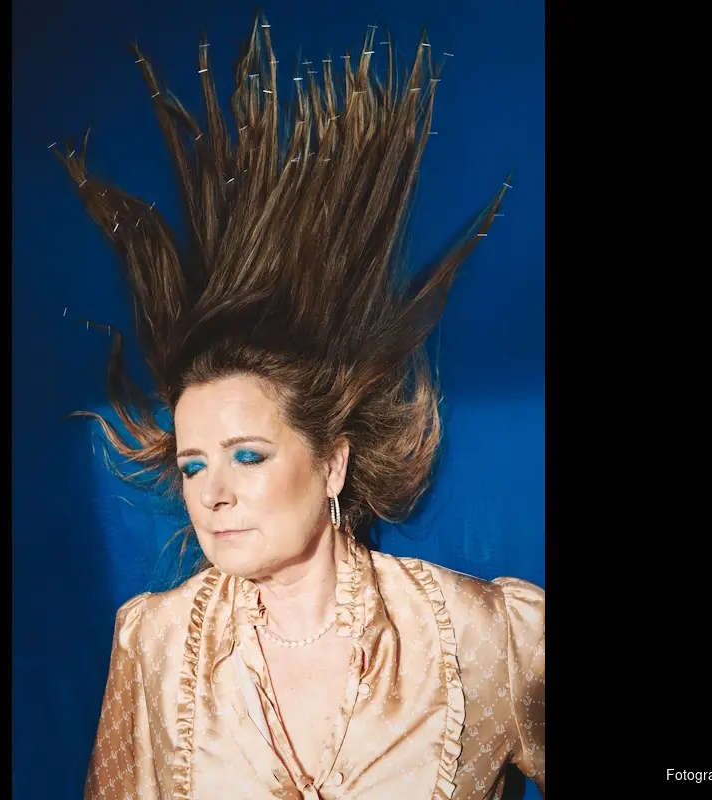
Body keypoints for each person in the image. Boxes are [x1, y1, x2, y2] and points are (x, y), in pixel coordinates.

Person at [55, 15, 544, 800]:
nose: (213, 494)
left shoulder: (485, 637)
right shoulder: (155, 644)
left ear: (332, 464)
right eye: (193, 466)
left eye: (247, 455)